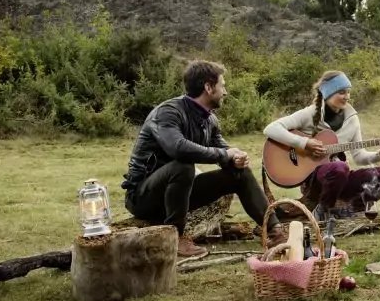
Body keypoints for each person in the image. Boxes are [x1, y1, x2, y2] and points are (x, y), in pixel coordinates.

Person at [121, 60, 286, 257]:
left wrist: (235, 158)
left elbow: (222, 150)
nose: (225, 92)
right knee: (182, 166)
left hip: (179, 193)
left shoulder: (210, 119)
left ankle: (274, 230)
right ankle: (175, 237)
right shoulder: (168, 112)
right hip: (143, 197)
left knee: (238, 174)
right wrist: (225, 154)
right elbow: (177, 148)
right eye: (222, 85)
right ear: (208, 87)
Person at [263, 70, 380, 220]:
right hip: (317, 180)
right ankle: (322, 211)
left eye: (348, 92)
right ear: (328, 93)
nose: (347, 96)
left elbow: (359, 157)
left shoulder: (351, 119)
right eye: (341, 92)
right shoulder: (309, 114)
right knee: (340, 167)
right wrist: (304, 143)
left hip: (342, 177)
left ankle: (353, 208)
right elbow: (271, 129)